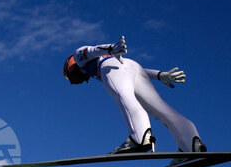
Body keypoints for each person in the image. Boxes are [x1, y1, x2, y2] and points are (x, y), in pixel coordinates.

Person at [63, 36, 206, 156]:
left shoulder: (79, 56)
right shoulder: (99, 65)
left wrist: (111, 48)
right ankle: (191, 144)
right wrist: (159, 74)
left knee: (125, 98)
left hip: (111, 66)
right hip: (133, 67)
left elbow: (91, 51)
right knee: (161, 109)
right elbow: (130, 70)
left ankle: (140, 138)